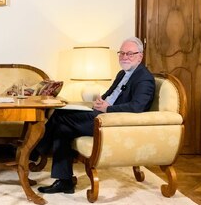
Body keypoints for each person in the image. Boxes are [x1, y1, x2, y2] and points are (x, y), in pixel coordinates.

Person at [36, 37, 155, 194]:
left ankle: (36, 151)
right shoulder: (122, 73)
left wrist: (107, 109)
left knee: (60, 119)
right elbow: (109, 95)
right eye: (122, 53)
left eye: (130, 54)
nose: (124, 57)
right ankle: (64, 181)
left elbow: (137, 107)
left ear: (140, 56)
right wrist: (100, 102)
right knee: (61, 118)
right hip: (101, 115)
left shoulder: (144, 77)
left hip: (111, 123)